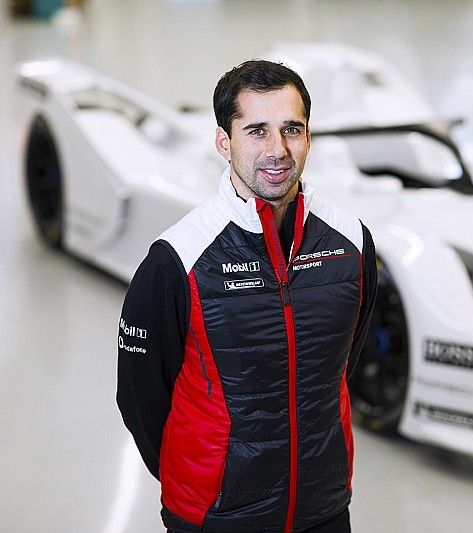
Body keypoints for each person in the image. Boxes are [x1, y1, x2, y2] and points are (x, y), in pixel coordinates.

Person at [116, 59, 377, 533]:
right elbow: (140, 396)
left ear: (309, 137)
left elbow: (341, 363)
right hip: (214, 514)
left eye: (291, 129)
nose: (277, 150)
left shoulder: (351, 243)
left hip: (322, 506)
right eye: (256, 130)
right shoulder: (177, 260)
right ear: (224, 141)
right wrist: (206, 477)